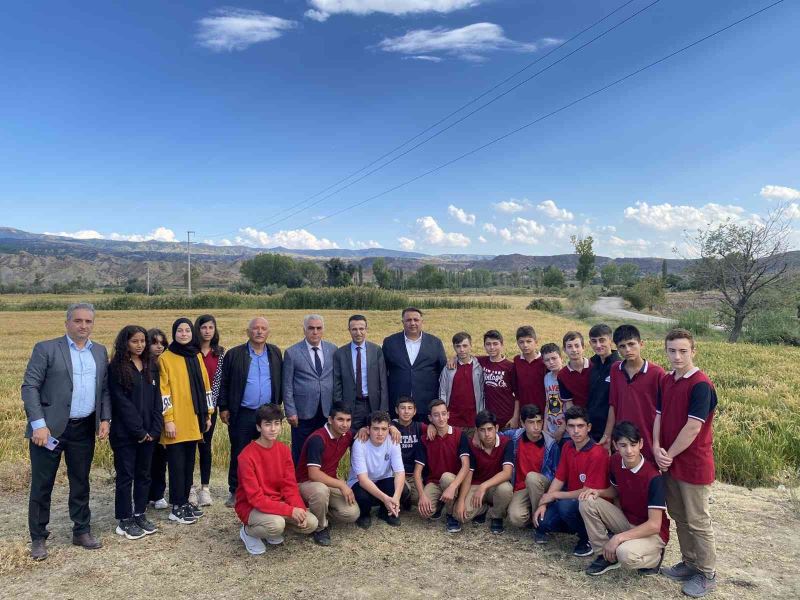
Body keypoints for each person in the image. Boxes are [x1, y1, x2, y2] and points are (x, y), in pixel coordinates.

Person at [22, 302, 111, 560]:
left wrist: (105, 418)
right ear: (67, 323)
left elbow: (104, 389)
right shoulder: (46, 349)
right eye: (78, 320)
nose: (83, 326)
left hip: (83, 427)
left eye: (88, 321)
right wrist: (39, 425)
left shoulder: (99, 351)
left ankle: (81, 530)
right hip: (49, 430)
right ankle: (38, 537)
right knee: (42, 485)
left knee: (81, 481)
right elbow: (30, 387)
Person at [654, 328, 718, 597]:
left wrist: (668, 454)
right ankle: (690, 563)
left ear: (693, 351)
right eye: (672, 351)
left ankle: (707, 573)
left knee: (698, 520)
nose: (677, 356)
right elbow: (658, 415)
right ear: (666, 351)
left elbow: (693, 428)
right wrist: (656, 446)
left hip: (693, 464)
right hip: (670, 462)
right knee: (679, 516)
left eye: (683, 351)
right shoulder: (666, 380)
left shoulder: (701, 385)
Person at [579, 421, 670, 577]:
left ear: (641, 444)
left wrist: (617, 538)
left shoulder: (654, 477)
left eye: (633, 445)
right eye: (623, 445)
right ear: (615, 445)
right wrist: (598, 492)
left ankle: (655, 557)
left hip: (652, 532)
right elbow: (616, 490)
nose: (629, 451)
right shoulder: (615, 461)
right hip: (627, 521)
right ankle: (605, 555)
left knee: (624, 554)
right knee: (587, 501)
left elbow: (655, 525)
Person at [217, 317, 282, 507]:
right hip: (243, 412)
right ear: (248, 332)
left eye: (263, 328)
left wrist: (278, 409)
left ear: (268, 332)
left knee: (266, 453)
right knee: (240, 452)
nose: (259, 332)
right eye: (255, 328)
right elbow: (224, 383)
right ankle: (236, 491)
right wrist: (224, 407)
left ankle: (265, 490)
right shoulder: (235, 354)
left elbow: (280, 380)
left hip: (268, 413)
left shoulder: (275, 353)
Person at [236, 404, 317, 554]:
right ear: (259, 427)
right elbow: (255, 498)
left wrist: (299, 509)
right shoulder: (246, 456)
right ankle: (248, 532)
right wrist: (289, 511)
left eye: (277, 423)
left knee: (311, 523)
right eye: (267, 424)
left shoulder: (284, 450)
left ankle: (270, 529)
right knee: (276, 524)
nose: (273, 429)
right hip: (251, 507)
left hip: (275, 503)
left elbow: (290, 487)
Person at [533, 406, 610, 556]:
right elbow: (559, 478)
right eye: (571, 426)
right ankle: (575, 526)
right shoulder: (568, 446)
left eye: (580, 426)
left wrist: (554, 495)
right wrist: (544, 503)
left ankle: (588, 538)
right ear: (566, 428)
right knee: (543, 523)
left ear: (588, 427)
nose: (576, 431)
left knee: (565, 507)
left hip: (591, 504)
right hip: (572, 502)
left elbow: (586, 491)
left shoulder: (598, 453)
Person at [109, 325, 162, 540]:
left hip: (149, 433)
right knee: (125, 476)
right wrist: (139, 431)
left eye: (142, 341)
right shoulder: (116, 368)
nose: (140, 345)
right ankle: (124, 519)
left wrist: (154, 429)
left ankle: (139, 513)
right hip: (125, 434)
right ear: (125, 343)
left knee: (144, 474)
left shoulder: (151, 365)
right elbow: (121, 403)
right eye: (135, 341)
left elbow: (157, 399)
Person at [158, 318, 213, 525]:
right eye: (180, 331)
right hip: (175, 421)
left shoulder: (196, 355)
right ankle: (176, 506)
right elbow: (163, 392)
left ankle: (185, 502)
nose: (183, 334)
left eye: (187, 330)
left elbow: (206, 385)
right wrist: (168, 420)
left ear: (192, 333)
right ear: (174, 333)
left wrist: (208, 414)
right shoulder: (166, 358)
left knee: (189, 464)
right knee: (176, 465)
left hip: (194, 419)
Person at [296, 402, 361, 546]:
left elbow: (363, 432)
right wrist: (341, 485)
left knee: (352, 514)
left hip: (329, 482)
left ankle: (318, 512)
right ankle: (320, 528)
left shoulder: (347, 434)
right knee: (320, 490)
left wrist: (365, 430)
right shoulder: (318, 439)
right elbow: (313, 474)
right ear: (330, 420)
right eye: (340, 419)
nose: (345, 424)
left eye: (348, 420)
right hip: (305, 483)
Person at [600, 324, 665, 462]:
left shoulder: (657, 373)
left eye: (631, 344)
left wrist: (658, 443)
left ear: (641, 344)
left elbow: (663, 412)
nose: (627, 350)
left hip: (647, 437)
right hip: (622, 439)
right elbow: (613, 405)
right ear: (617, 348)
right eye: (622, 346)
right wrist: (607, 435)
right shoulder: (615, 369)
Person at [283, 314, 337, 464]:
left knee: (323, 450)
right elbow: (287, 385)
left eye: (319, 328)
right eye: (311, 328)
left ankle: (321, 477)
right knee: (301, 451)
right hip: (302, 413)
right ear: (304, 330)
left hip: (326, 411)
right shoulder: (292, 352)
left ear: (323, 329)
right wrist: (290, 411)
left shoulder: (332, 349)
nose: (315, 332)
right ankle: (299, 478)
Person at [413, 399, 470, 534]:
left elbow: (466, 465)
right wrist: (422, 495)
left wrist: (452, 487)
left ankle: (451, 515)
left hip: (454, 481)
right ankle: (439, 504)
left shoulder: (459, 435)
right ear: (430, 418)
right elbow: (417, 472)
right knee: (425, 512)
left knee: (446, 478)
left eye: (444, 414)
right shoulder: (425, 439)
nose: (441, 418)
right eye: (436, 415)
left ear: (448, 415)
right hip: (434, 482)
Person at [454, 410, 514, 534]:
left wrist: (484, 486)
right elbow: (468, 475)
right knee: (461, 516)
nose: (487, 434)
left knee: (506, 489)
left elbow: (507, 473)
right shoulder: (472, 445)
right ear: (477, 430)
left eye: (490, 429)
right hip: (475, 485)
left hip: (495, 486)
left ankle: (496, 516)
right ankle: (483, 508)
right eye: (482, 430)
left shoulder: (507, 442)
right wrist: (461, 501)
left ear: (496, 428)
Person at [382, 307, 447, 420]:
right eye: (408, 320)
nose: (412, 323)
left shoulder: (435, 343)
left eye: (416, 320)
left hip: (427, 405)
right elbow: (382, 371)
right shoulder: (390, 342)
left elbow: (443, 370)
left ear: (422, 321)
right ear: (403, 322)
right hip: (398, 405)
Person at [347, 410, 406, 528]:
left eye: (384, 429)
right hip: (361, 482)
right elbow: (363, 480)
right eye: (376, 429)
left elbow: (400, 472)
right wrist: (385, 498)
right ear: (368, 429)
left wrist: (396, 498)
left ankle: (385, 512)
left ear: (389, 429)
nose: (380, 433)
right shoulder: (360, 443)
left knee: (402, 489)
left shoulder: (393, 440)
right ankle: (364, 514)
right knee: (362, 497)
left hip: (383, 478)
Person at [505, 405, 558, 530]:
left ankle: (539, 519)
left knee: (532, 478)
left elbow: (557, 474)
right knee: (516, 518)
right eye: (531, 422)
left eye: (539, 422)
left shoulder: (551, 444)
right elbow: (495, 436)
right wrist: (477, 437)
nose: (536, 427)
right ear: (523, 423)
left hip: (542, 485)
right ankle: (531, 517)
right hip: (521, 488)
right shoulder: (515, 437)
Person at [191, 314, 225, 507]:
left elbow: (219, 382)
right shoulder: (190, 352)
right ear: (198, 329)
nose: (207, 331)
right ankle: (189, 487)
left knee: (205, 446)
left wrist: (210, 409)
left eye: (211, 327)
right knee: (189, 447)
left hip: (210, 407)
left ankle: (205, 488)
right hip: (190, 407)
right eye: (203, 327)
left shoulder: (220, 353)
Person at [332, 314, 388, 430]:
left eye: (361, 329)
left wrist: (383, 408)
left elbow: (383, 380)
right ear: (349, 330)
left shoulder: (376, 350)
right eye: (354, 329)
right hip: (351, 405)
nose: (358, 333)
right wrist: (339, 407)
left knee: (375, 434)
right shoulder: (340, 353)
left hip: (373, 403)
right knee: (352, 436)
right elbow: (337, 383)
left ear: (366, 329)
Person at [438, 332, 484, 432]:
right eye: (458, 346)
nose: (462, 350)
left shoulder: (479, 367)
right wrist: (443, 414)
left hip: (473, 421)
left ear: (471, 345)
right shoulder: (448, 368)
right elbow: (442, 392)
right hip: (452, 421)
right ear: (454, 347)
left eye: (465, 346)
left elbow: (482, 393)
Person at [587, 324, 621, 447]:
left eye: (602, 340)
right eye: (594, 341)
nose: (598, 345)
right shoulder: (592, 364)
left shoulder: (619, 366)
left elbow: (616, 403)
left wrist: (607, 434)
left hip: (610, 431)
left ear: (610, 341)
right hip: (591, 428)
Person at [146, 328, 170, 510]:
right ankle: (145, 495)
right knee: (146, 459)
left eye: (162, 343)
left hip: (164, 417)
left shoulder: (166, 364)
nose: (159, 346)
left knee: (161, 458)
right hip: (146, 418)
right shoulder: (142, 365)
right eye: (154, 343)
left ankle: (159, 494)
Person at [477, 330, 518, 430]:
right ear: (484, 346)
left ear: (502, 345)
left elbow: (518, 395)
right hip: (489, 418)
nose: (492, 347)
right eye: (488, 344)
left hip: (507, 417)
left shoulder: (510, 367)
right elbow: (464, 357)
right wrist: (454, 359)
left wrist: (515, 417)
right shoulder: (481, 361)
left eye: (495, 344)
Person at [391, 396, 426, 509]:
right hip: (394, 473)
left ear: (415, 411)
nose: (406, 411)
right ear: (397, 410)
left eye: (410, 408)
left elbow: (435, 427)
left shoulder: (419, 426)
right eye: (403, 408)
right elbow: (375, 425)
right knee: (403, 490)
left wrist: (432, 427)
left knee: (417, 498)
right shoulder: (390, 426)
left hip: (413, 475)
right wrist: (390, 427)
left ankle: (405, 500)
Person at [514, 326, 548, 414]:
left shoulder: (545, 361)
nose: (525, 345)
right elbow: (516, 390)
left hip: (543, 410)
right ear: (517, 343)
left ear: (536, 342)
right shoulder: (517, 360)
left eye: (529, 341)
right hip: (524, 411)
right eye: (521, 342)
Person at [557, 331, 590, 410]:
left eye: (577, 346)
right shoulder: (562, 375)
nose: (574, 350)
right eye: (569, 346)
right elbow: (568, 402)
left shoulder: (594, 366)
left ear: (583, 347)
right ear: (564, 349)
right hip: (578, 414)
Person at [541, 343, 566, 446]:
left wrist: (561, 429)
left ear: (561, 358)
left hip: (567, 431)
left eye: (554, 358)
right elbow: (548, 403)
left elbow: (574, 407)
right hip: (551, 429)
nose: (551, 362)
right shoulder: (547, 377)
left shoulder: (568, 376)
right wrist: (545, 427)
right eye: (547, 360)